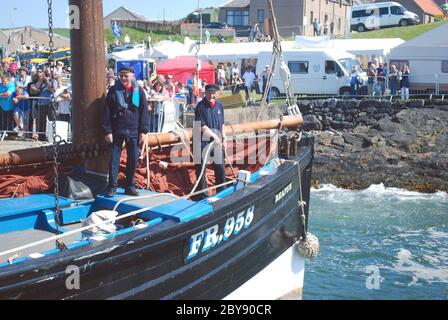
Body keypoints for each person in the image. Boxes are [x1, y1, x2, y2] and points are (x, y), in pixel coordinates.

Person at [103, 66, 150, 198]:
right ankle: (112, 186)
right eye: (121, 75)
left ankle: (129, 185)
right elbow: (107, 111)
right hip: (117, 130)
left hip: (134, 130)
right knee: (114, 160)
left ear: (132, 76)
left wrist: (143, 131)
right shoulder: (113, 91)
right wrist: (107, 131)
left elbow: (143, 111)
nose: (123, 78)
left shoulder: (139, 92)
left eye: (126, 75)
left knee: (133, 159)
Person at [194, 84, 227, 200]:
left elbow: (222, 124)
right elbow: (201, 126)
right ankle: (201, 194)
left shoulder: (220, 107)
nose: (211, 95)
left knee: (220, 167)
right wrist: (214, 136)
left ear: (217, 93)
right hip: (202, 142)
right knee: (201, 168)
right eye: (209, 93)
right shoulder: (200, 107)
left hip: (217, 142)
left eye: (214, 93)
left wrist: (224, 139)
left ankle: (221, 190)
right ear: (205, 93)